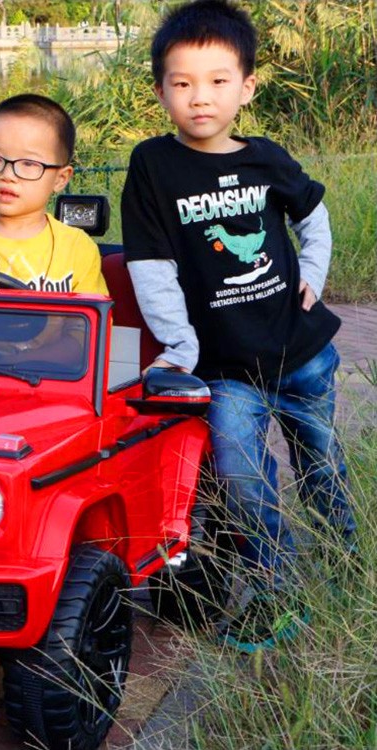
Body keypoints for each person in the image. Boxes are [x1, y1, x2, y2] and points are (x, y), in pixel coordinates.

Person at [120, 0, 356, 652]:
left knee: (322, 468)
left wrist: (314, 272)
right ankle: (279, 590)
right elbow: (150, 264)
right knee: (242, 478)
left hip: (302, 355)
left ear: (246, 87)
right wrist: (180, 344)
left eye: (218, 80)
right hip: (225, 370)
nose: (201, 97)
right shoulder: (153, 166)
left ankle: (347, 571)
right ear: (161, 90)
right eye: (183, 82)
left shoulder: (266, 158)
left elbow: (314, 215)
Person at [0, 94, 108, 364]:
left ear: (61, 178)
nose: (7, 175)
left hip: (49, 379)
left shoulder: (77, 248)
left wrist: (22, 362)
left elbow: (86, 338)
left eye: (29, 164)